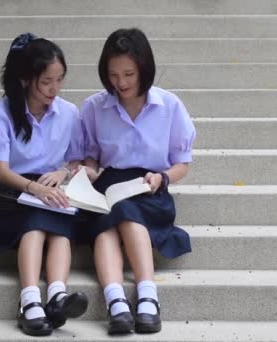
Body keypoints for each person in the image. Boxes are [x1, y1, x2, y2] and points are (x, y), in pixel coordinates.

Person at [79, 28, 196, 335]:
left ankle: (147, 295)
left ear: (144, 68)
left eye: (129, 73)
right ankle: (116, 302)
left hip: (150, 185)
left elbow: (182, 164)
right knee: (105, 228)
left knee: (127, 218)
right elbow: (91, 157)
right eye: (113, 74)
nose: (121, 83)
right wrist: (88, 171)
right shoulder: (94, 107)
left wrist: (163, 178)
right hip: (109, 185)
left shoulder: (169, 106)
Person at [0, 33, 88, 336]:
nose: (55, 88)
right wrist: (35, 188)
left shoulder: (69, 113)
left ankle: (57, 298)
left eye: (60, 79)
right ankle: (29, 301)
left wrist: (63, 172)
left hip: (54, 191)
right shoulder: (1, 113)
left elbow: (78, 160)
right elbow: (1, 171)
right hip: (16, 193)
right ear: (26, 79)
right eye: (47, 81)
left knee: (61, 229)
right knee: (37, 226)